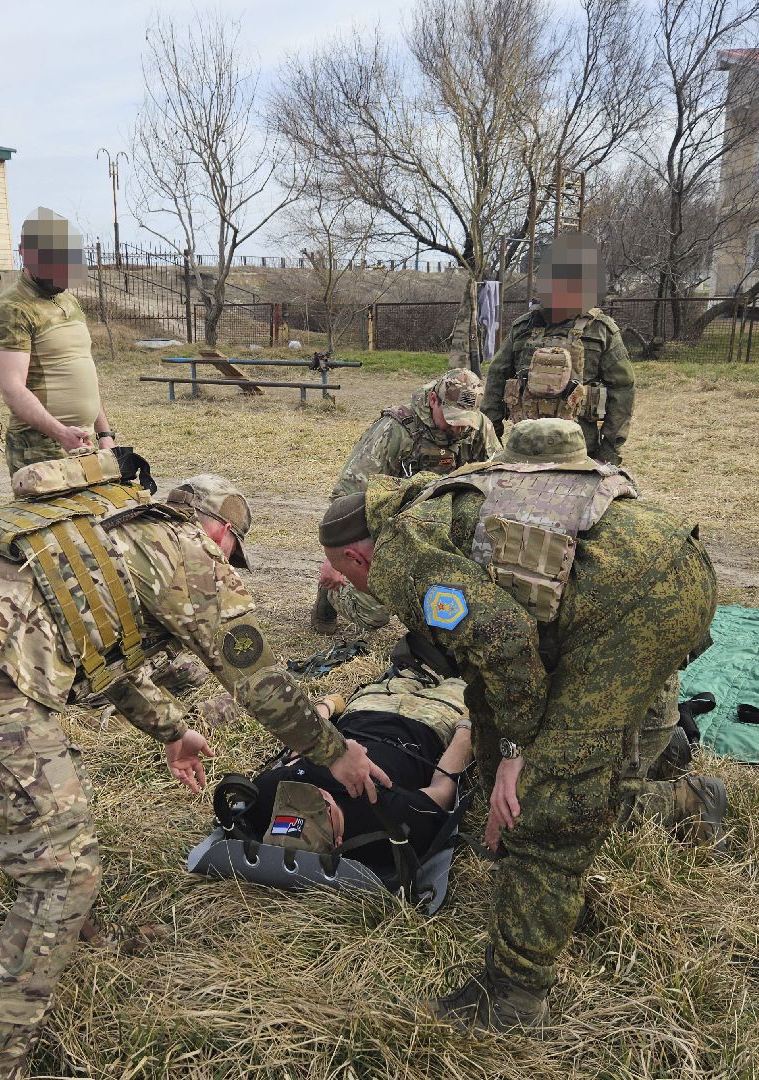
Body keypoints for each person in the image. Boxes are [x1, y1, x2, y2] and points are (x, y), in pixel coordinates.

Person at [0, 456, 389, 1080]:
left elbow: (104, 652)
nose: (227, 563)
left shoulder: (110, 530)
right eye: (232, 552)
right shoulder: (186, 550)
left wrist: (173, 730)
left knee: (55, 823)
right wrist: (335, 751)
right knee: (61, 869)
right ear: (219, 531)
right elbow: (257, 676)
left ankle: (73, 935)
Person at [319, 418, 725, 1032]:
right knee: (557, 762)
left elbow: (504, 640)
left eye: (347, 577)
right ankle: (669, 797)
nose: (354, 586)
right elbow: (489, 659)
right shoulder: (440, 501)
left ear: (357, 555)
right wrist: (498, 746)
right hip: (664, 565)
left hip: (632, 608)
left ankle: (512, 997)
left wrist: (515, 751)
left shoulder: (404, 558)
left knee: (547, 800)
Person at [237, 646, 475, 875]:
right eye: (321, 806)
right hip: (431, 720)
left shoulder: (267, 795)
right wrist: (468, 727)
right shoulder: (389, 827)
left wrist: (325, 707)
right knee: (467, 672)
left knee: (414, 664)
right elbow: (443, 787)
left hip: (368, 706)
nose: (315, 791)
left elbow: (298, 749)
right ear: (338, 841)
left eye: (291, 800)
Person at [311, 368, 499, 635]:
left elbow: (498, 478)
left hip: (443, 525)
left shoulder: (479, 427)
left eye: (465, 421)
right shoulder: (396, 428)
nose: (458, 427)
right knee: (373, 615)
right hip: (391, 528)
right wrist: (334, 560)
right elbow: (349, 494)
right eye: (452, 419)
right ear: (434, 401)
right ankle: (332, 594)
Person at [481, 233, 635, 465]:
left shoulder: (601, 330)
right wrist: (491, 441)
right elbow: (495, 381)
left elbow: (623, 391)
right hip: (524, 449)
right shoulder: (522, 327)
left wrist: (610, 452)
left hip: (578, 450)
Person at [0, 207, 117, 473]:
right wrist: (60, 433)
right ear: (24, 252)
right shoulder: (11, 309)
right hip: (40, 450)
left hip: (84, 443)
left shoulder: (68, 300)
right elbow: (13, 390)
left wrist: (105, 435)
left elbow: (84, 370)